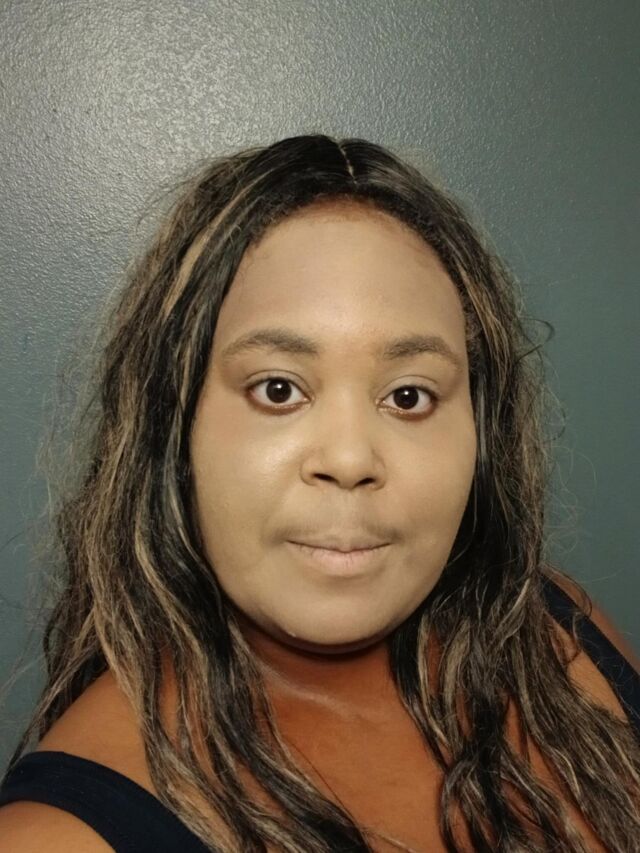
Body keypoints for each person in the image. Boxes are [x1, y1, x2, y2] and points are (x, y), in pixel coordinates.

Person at [0, 134, 638, 852]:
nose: (349, 458)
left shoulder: (564, 636)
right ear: (172, 427)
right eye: (278, 389)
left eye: (408, 395)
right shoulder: (57, 837)